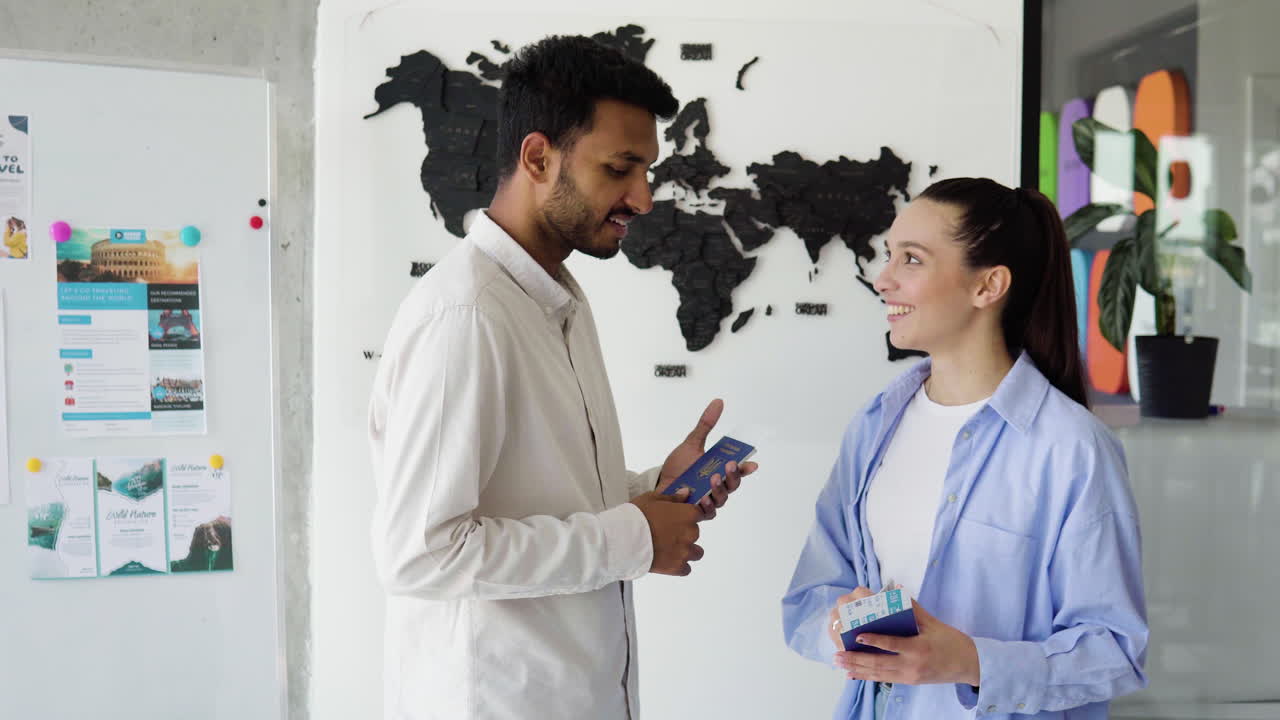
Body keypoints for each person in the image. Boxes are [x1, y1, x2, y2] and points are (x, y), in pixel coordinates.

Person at [368, 35, 757, 720]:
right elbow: (421, 555)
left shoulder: (555, 297)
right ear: (538, 157)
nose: (642, 197)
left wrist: (653, 492)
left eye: (648, 170)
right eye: (620, 169)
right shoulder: (468, 316)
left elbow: (533, 495)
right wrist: (636, 537)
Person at [782, 178, 1147, 719]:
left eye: (911, 259)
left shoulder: (1072, 449)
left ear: (988, 286)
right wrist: (838, 624)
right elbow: (811, 597)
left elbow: (1114, 653)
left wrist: (971, 661)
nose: (883, 280)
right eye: (889, 256)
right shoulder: (873, 425)